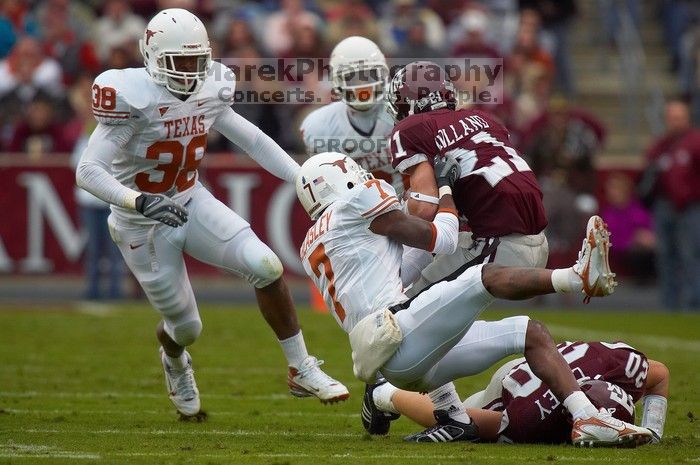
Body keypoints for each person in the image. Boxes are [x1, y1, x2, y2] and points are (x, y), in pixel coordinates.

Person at [75, 8, 349, 418]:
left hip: (189, 199)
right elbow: (88, 170)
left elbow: (253, 140)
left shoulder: (211, 87)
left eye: (196, 62)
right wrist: (137, 200)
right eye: (179, 63)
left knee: (266, 265)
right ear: (151, 56)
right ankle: (174, 359)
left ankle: (301, 366)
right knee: (187, 329)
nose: (189, 72)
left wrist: (301, 177)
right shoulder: (130, 96)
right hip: (141, 221)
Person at [295, 151, 651, 447]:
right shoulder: (355, 205)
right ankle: (578, 277)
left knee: (530, 333)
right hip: (400, 333)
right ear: (339, 179)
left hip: (396, 351)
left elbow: (401, 270)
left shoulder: (315, 242)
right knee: (484, 276)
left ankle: (584, 417)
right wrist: (447, 190)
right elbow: (442, 240)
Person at [367, 340, 669, 444]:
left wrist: (653, 432)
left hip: (542, 363)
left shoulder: (621, 365)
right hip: (517, 391)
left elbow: (661, 375)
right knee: (459, 421)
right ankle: (383, 393)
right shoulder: (536, 414)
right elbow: (467, 419)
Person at [300, 36, 403, 192]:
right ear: (337, 82)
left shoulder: (405, 102)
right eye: (353, 79)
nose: (363, 85)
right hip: (359, 212)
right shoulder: (321, 127)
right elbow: (328, 190)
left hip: (413, 205)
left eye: (369, 76)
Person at [638, 97, 700, 310]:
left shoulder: (695, 142)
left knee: (690, 256)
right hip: (663, 206)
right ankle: (669, 306)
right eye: (671, 118)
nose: (675, 122)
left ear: (687, 118)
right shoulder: (661, 146)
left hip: (690, 208)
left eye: (679, 118)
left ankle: (693, 305)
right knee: (666, 258)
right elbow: (648, 173)